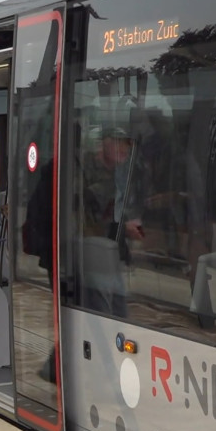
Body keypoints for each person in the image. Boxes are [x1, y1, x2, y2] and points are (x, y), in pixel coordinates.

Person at [79, 126, 145, 318]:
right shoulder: (85, 170)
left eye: (126, 144)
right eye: (118, 142)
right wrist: (123, 227)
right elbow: (88, 215)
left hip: (111, 252)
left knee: (117, 310)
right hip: (92, 252)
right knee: (105, 312)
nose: (124, 148)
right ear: (104, 143)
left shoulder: (123, 172)